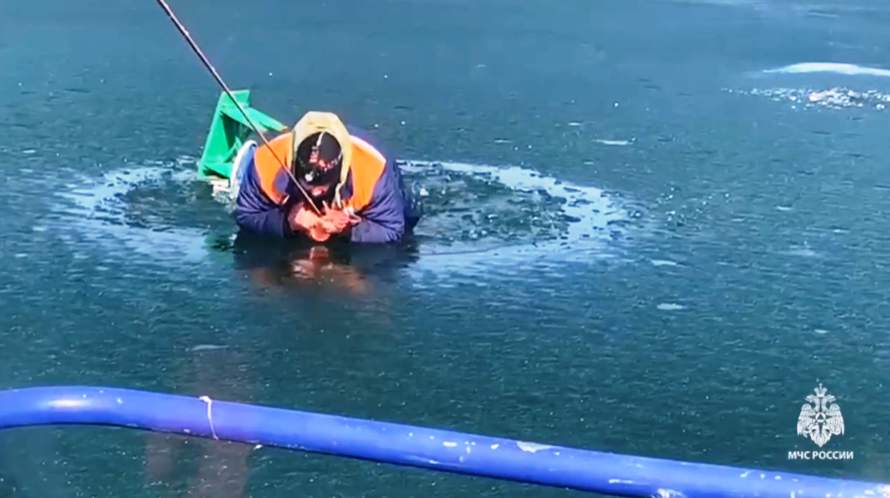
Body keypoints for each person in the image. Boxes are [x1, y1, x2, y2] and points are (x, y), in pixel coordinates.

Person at [232, 111, 420, 243]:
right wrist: (287, 221)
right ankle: (245, 170)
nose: (315, 192)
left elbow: (392, 229)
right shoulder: (266, 161)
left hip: (385, 194)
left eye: (322, 185)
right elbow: (246, 214)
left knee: (407, 230)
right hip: (286, 208)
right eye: (307, 184)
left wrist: (348, 229)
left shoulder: (373, 168)